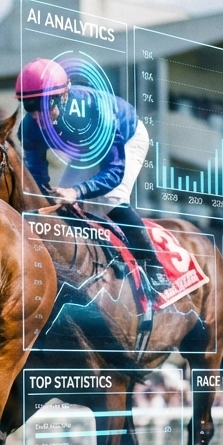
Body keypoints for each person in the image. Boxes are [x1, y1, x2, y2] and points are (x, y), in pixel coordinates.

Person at [16, 57, 173, 295]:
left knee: (110, 199)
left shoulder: (97, 113)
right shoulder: (29, 127)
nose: (38, 117)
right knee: (61, 206)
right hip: (86, 147)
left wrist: (77, 191)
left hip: (127, 138)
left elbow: (114, 173)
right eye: (30, 108)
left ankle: (153, 267)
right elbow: (38, 179)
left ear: (64, 96)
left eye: (44, 107)